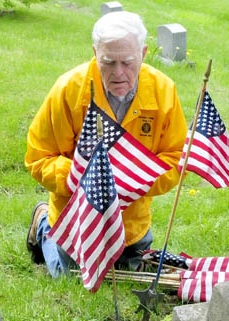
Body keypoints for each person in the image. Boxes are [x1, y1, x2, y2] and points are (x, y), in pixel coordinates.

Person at [25, 11, 188, 278]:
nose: (118, 73)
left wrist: (131, 181)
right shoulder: (68, 89)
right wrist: (84, 180)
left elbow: (176, 157)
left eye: (128, 62)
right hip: (77, 218)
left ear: (144, 53)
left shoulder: (163, 90)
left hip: (131, 225)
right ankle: (44, 223)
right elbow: (38, 156)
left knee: (128, 278)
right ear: (94, 52)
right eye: (108, 62)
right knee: (69, 278)